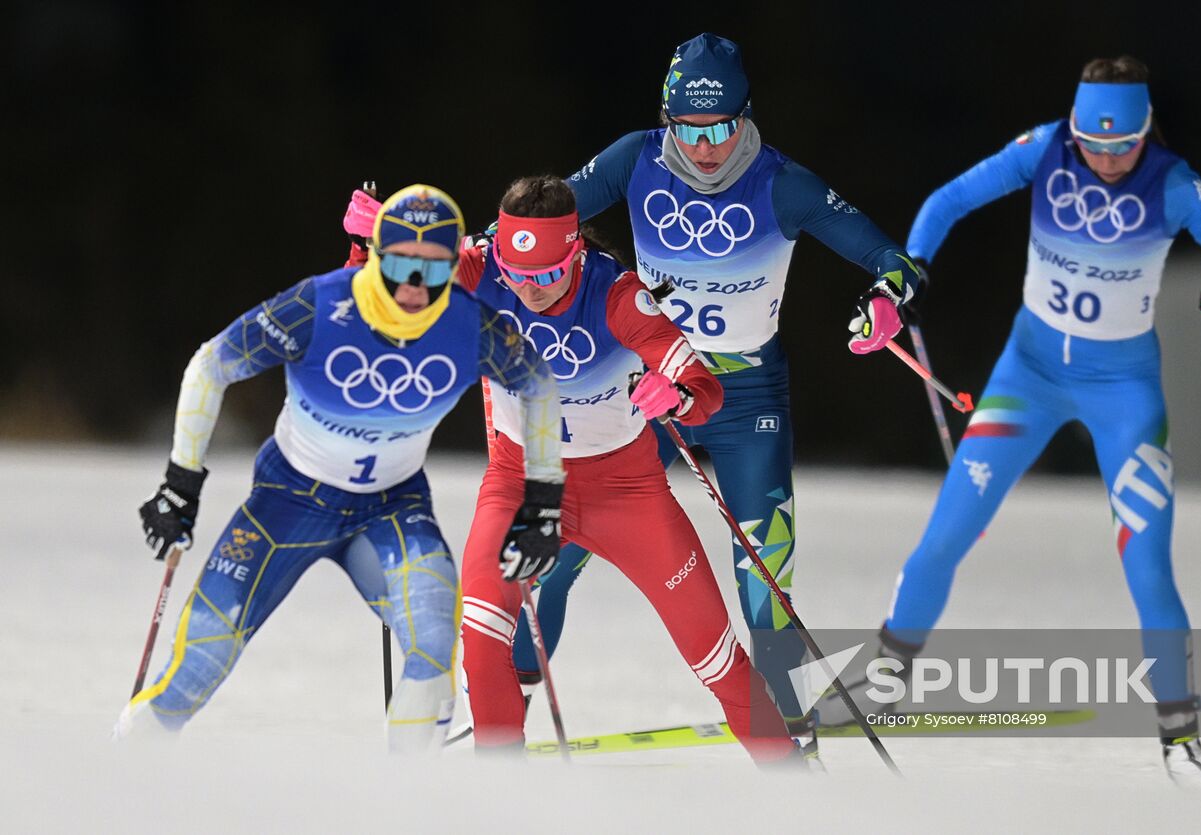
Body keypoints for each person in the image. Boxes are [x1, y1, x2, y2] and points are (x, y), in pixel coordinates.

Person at [856, 56, 1201, 789]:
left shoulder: (1174, 183)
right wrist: (908, 271)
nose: (1109, 160)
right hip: (1028, 380)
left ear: (1148, 132)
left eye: (1124, 146)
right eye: (1095, 143)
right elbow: (945, 200)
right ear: (1075, 130)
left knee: (1149, 568)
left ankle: (1183, 743)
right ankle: (881, 687)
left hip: (1125, 395)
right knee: (942, 539)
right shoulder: (1045, 149)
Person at [515, 32, 927, 751]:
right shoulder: (634, 159)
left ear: (746, 115)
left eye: (721, 129)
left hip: (747, 401)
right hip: (644, 390)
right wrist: (409, 262)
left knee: (764, 576)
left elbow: (896, 260)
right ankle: (504, 713)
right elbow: (523, 235)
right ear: (666, 118)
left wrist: (889, 297)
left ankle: (792, 731)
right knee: (557, 553)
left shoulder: (782, 184)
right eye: (689, 129)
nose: (705, 148)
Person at [116, 185, 563, 752]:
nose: (413, 286)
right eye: (400, 262)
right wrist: (181, 483)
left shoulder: (468, 324)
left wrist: (543, 500)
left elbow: (538, 384)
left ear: (455, 265)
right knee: (199, 663)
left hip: (391, 509)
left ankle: (400, 805)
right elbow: (211, 365)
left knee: (433, 655)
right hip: (286, 503)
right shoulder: (321, 305)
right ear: (377, 254)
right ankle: (120, 778)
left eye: (432, 268)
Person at [428, 175, 797, 766]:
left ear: (575, 253)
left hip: (626, 494)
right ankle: (497, 798)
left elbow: (704, 389)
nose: (531, 290)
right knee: (480, 637)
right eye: (517, 273)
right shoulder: (478, 270)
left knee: (717, 660)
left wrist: (673, 398)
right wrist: (365, 243)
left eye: (547, 275)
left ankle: (795, 783)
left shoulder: (619, 295)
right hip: (519, 485)